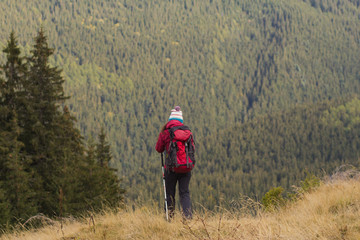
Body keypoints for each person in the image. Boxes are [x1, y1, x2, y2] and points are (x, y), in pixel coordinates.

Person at [155, 106, 193, 219]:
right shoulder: (188, 133)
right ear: (181, 120)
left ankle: (169, 218)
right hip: (186, 167)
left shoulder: (165, 133)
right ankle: (188, 218)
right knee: (184, 193)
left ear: (170, 120)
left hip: (171, 168)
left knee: (170, 194)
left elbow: (158, 149)